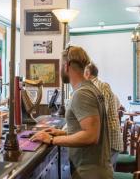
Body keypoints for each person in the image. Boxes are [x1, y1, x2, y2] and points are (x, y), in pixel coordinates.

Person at [30, 46, 113, 179]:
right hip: (93, 169)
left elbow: (91, 136)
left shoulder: (82, 94)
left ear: (66, 65)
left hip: (90, 172)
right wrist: (63, 132)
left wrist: (52, 139)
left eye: (60, 65)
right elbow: (90, 128)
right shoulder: (90, 89)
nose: (59, 70)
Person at [84, 62, 123, 169]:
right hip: (107, 141)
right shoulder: (96, 86)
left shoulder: (99, 86)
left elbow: (101, 113)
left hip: (109, 141)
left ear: (87, 73)